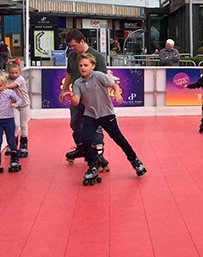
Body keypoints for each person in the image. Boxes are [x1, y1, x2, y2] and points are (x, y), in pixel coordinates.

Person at [62, 53, 147, 186]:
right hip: (90, 115)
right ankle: (92, 166)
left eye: (86, 65)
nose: (83, 68)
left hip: (106, 114)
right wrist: (71, 96)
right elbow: (76, 101)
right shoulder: (78, 83)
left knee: (118, 138)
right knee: (85, 139)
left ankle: (135, 160)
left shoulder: (99, 76)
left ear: (93, 66)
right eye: (80, 66)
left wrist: (117, 93)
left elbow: (114, 86)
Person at [59, 29, 109, 170]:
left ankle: (98, 153)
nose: (73, 49)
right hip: (77, 95)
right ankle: (81, 148)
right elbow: (69, 74)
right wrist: (64, 90)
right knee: (75, 123)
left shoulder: (97, 57)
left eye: (75, 45)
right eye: (71, 46)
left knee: (96, 125)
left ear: (82, 41)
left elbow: (103, 79)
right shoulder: (71, 56)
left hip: (93, 98)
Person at [7, 61, 31, 157]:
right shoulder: (7, 79)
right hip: (14, 105)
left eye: (16, 72)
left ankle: (24, 143)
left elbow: (11, 86)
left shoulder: (20, 79)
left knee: (23, 124)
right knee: (16, 124)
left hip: (24, 104)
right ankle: (13, 143)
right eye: (12, 73)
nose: (14, 75)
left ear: (20, 72)